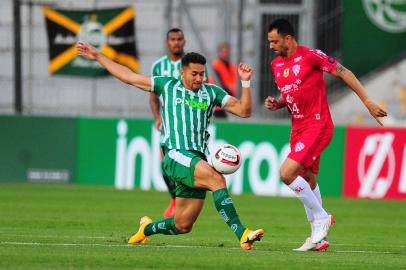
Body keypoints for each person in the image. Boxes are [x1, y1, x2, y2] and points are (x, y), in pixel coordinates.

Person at [76, 42, 265, 250]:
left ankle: (145, 230)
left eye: (202, 74)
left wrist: (245, 83)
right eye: (194, 74)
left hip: (198, 158)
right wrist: (98, 56)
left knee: (182, 224)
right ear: (182, 72)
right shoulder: (168, 86)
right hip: (175, 155)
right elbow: (128, 76)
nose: (199, 79)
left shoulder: (211, 92)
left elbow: (244, 110)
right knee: (216, 179)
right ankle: (243, 234)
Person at [264, 19, 387, 252]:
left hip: (317, 125)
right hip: (298, 128)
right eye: (269, 41)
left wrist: (368, 101)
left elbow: (344, 73)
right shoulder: (276, 65)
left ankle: (321, 217)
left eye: (274, 41)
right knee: (308, 177)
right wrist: (277, 102)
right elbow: (291, 92)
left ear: (288, 39)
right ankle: (317, 238)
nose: (270, 45)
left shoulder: (311, 56)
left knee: (286, 173)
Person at [149, 28, 186, 218]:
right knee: (165, 166)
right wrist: (157, 117)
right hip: (168, 124)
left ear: (184, 42)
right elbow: (153, 96)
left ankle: (183, 203)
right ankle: (174, 200)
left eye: (179, 39)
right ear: (167, 42)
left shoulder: (191, 64)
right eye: (173, 39)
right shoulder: (158, 66)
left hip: (188, 123)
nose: (176, 43)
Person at [211, 42, 238, 118]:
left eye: (227, 52)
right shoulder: (216, 65)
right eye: (223, 52)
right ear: (219, 53)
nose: (225, 54)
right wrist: (228, 87)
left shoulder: (232, 66)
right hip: (218, 102)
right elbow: (215, 83)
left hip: (230, 100)